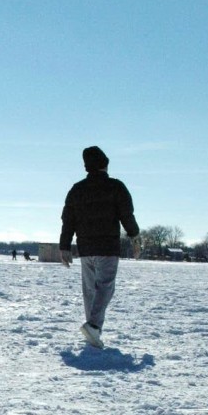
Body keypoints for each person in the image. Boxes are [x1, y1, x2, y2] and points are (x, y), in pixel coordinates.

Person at [59, 146, 141, 349]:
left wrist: (64, 246)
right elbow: (126, 215)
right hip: (107, 247)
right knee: (105, 287)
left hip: (86, 248)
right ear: (105, 164)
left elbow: (67, 220)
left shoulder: (77, 190)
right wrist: (135, 237)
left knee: (90, 290)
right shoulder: (116, 187)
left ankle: (93, 333)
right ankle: (93, 326)